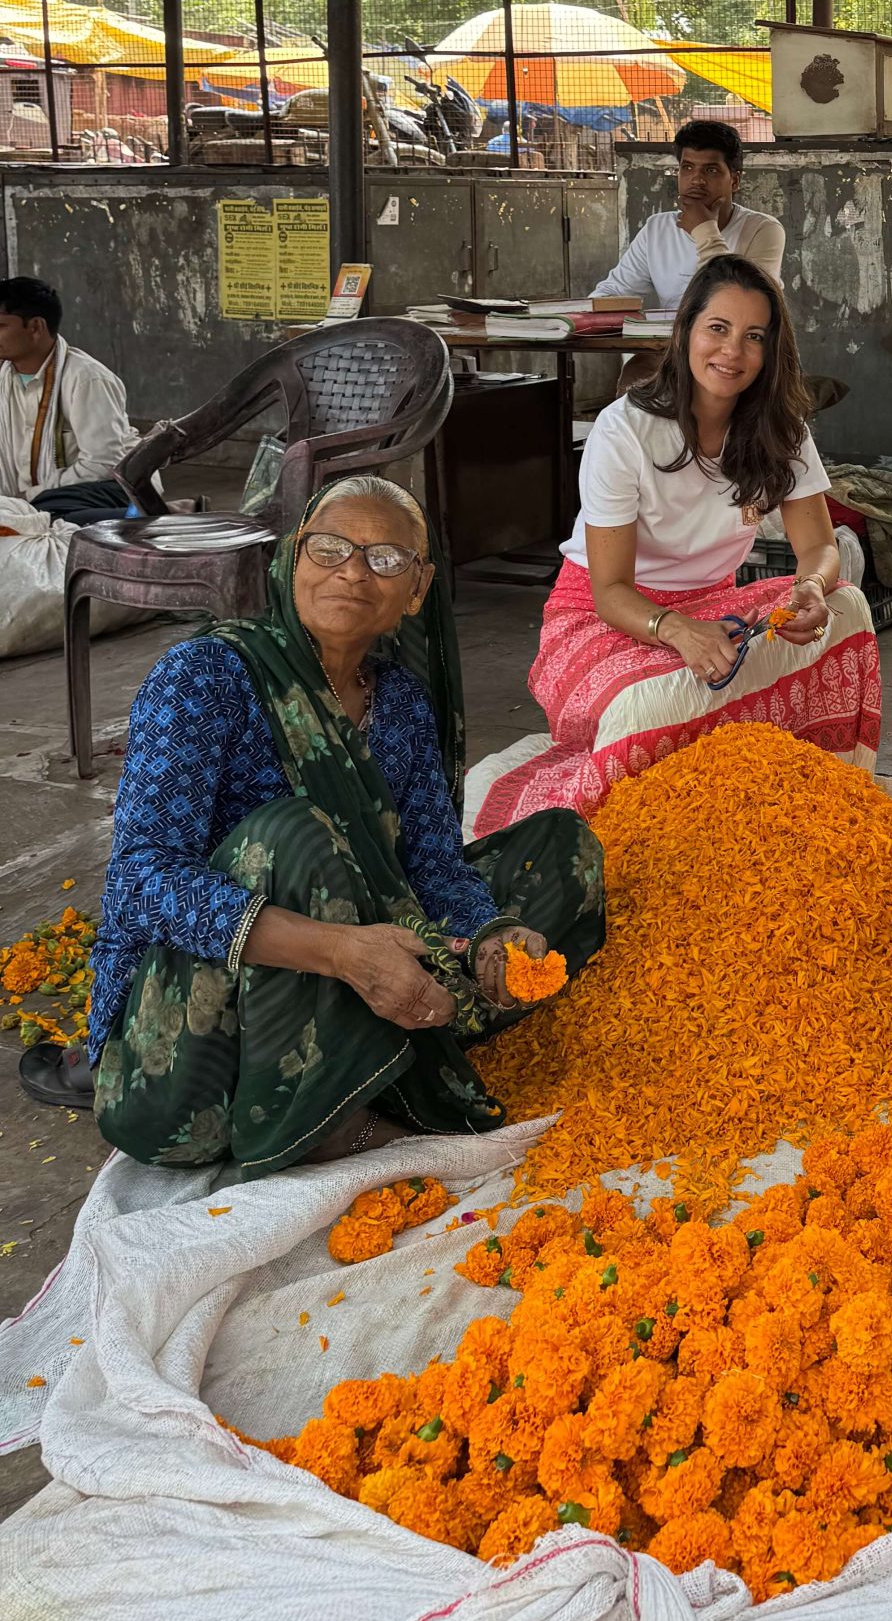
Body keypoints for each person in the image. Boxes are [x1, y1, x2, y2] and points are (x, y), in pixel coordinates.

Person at [32, 477, 605, 1174]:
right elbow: (140, 883)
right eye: (330, 548)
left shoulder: (400, 703)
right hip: (196, 1055)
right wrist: (340, 952)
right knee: (296, 836)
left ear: (417, 589)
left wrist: (487, 934)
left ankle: (387, 1036)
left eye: (385, 559)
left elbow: (431, 865)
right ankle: (324, 1121)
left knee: (559, 845)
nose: (354, 572)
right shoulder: (205, 677)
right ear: (293, 560)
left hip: (360, 954)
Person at [470, 254, 880, 834]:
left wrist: (811, 587)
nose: (732, 351)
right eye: (718, 328)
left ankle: (807, 806)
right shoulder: (624, 430)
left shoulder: (781, 428)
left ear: (771, 351)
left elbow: (819, 547)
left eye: (753, 336)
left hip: (714, 611)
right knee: (654, 705)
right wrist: (679, 631)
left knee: (847, 609)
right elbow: (610, 591)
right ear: (685, 330)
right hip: (603, 621)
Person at [593, 119, 784, 316]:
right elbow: (612, 292)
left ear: (734, 181)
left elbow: (739, 308)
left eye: (711, 170)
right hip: (669, 336)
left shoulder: (763, 230)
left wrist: (704, 229)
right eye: (688, 168)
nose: (697, 180)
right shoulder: (657, 229)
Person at [0, 276, 137, 523]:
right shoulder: (4, 378)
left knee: (45, 518)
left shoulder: (87, 379)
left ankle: (158, 514)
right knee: (26, 517)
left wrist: (29, 498)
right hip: (42, 497)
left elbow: (103, 465)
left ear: (35, 327)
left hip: (106, 489)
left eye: (1, 326)